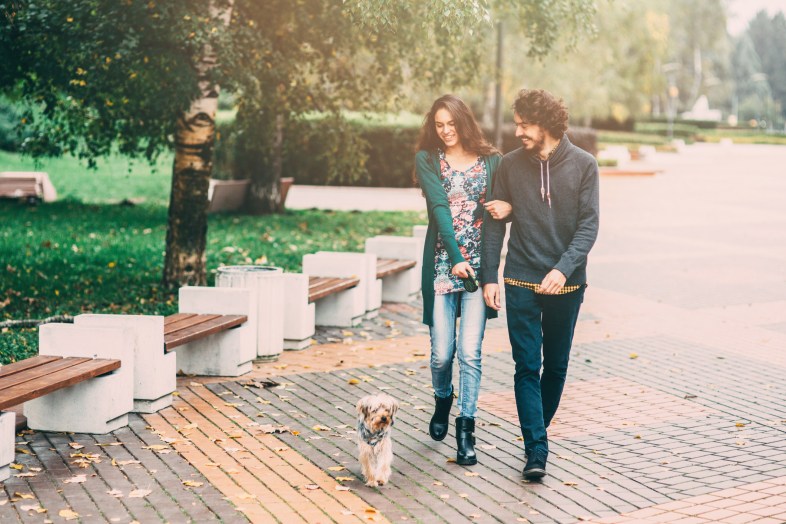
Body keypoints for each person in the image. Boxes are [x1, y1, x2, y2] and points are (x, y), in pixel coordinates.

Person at [481, 88, 599, 480]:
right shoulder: (510, 166)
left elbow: (588, 227)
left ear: (545, 124)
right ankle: (536, 449)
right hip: (519, 278)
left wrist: (563, 269)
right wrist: (489, 277)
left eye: (524, 124)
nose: (517, 132)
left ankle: (536, 434)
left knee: (557, 367)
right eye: (516, 124)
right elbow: (495, 221)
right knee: (526, 366)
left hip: (566, 285)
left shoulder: (584, 165)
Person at [414, 94, 502, 465]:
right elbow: (439, 207)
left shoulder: (492, 162)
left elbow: (499, 216)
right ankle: (443, 398)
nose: (446, 131)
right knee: (441, 355)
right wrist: (454, 258)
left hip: (477, 276)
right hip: (441, 269)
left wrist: (488, 275)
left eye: (451, 123)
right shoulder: (428, 160)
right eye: (439, 124)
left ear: (464, 122)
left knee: (470, 354)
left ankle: (466, 430)